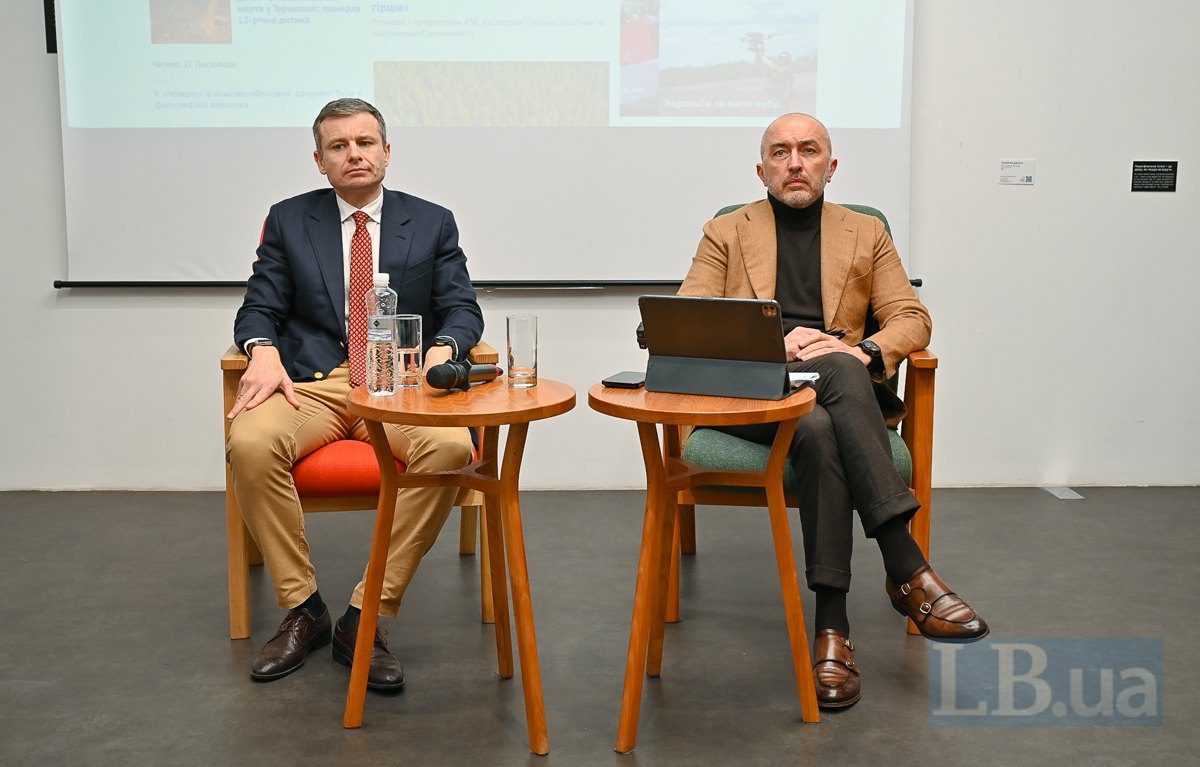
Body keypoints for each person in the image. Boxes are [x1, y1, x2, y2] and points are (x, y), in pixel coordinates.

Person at [677, 113, 987, 709]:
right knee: (838, 373)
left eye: (809, 150)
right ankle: (907, 568)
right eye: (782, 151)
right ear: (761, 169)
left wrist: (863, 348)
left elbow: (911, 319)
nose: (796, 162)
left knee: (821, 420)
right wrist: (777, 342)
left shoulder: (865, 232)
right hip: (757, 394)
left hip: (832, 404)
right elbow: (693, 318)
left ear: (831, 165)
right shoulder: (726, 230)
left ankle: (832, 630)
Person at [226, 97, 484, 692]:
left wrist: (446, 348)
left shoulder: (432, 219)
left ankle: (367, 613)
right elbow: (259, 306)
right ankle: (304, 608)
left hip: (397, 384)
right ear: (320, 161)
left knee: (450, 449)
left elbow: (461, 306)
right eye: (339, 146)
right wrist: (261, 348)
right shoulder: (291, 219)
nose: (354, 155)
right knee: (251, 440)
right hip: (314, 386)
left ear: (387, 152)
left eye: (365, 143)